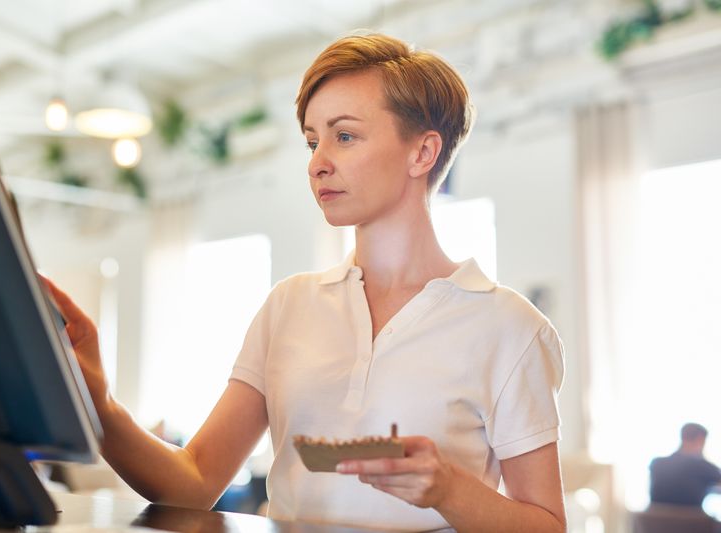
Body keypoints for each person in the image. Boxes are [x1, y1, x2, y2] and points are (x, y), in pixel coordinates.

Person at [44, 33, 566, 532]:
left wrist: (450, 489)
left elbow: (547, 525)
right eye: (312, 141)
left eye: (344, 136)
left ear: (423, 153)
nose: (318, 163)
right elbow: (192, 485)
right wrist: (100, 405)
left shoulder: (510, 327)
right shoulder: (288, 306)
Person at [650, 423, 721, 507]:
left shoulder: (657, 463)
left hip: (654, 518)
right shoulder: (703, 466)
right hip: (691, 518)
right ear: (700, 440)